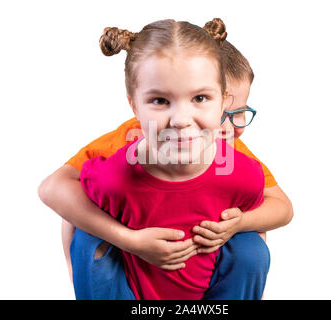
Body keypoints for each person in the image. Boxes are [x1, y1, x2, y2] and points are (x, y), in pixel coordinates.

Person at [39, 18, 293, 299]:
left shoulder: (227, 153)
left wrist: (239, 223)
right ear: (135, 104)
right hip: (134, 272)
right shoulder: (132, 141)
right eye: (161, 100)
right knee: (87, 233)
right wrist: (128, 239)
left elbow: (281, 207)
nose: (228, 129)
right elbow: (58, 192)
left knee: (250, 245)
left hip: (199, 274)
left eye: (202, 99)